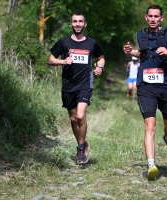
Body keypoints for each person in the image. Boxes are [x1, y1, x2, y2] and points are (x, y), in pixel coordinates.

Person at [123, 4, 167, 179]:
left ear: (161, 18)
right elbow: (144, 54)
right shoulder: (141, 34)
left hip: (166, 86)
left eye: (156, 16)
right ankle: (151, 164)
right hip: (146, 87)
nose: (153, 19)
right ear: (146, 17)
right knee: (149, 126)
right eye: (150, 16)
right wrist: (132, 52)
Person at [47, 12, 105, 165]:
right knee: (73, 118)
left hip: (85, 83)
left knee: (80, 116)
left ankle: (80, 148)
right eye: (75, 21)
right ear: (71, 24)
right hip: (68, 85)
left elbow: (101, 58)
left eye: (80, 21)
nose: (77, 24)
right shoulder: (64, 42)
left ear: (85, 24)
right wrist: (63, 61)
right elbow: (50, 60)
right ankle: (82, 143)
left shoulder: (91, 43)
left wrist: (100, 68)